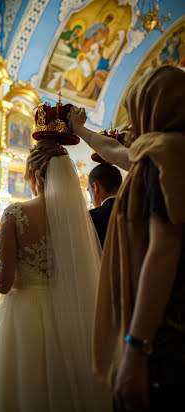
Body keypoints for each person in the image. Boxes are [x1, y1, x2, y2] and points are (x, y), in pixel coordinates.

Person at [0, 134, 112, 409]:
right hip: (64, 314)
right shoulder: (77, 219)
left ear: (36, 174)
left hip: (22, 315)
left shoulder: (15, 213)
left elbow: (4, 283)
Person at [71, 65, 185, 411]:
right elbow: (113, 151)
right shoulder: (163, 152)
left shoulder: (164, 157)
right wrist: (79, 129)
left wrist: (136, 347)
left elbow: (162, 253)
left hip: (166, 324)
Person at [88, 163, 122, 247]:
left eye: (89, 191)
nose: (91, 202)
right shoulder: (137, 211)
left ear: (96, 187)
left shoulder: (91, 217)